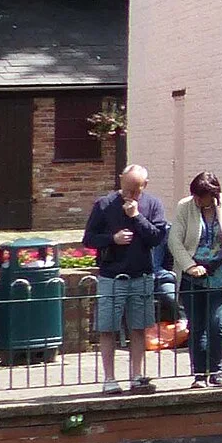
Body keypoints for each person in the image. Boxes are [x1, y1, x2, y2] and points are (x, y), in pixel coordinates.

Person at [81, 165, 170, 395]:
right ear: (120, 181)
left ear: (145, 186)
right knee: (107, 328)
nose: (130, 195)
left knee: (139, 328)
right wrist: (112, 239)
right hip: (112, 276)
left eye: (136, 191)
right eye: (127, 189)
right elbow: (88, 239)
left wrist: (137, 216)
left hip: (141, 275)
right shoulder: (104, 205)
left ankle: (137, 376)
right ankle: (109, 378)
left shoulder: (152, 205)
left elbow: (157, 237)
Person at [167, 172, 222, 387]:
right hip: (192, 278)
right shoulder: (185, 207)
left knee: (216, 323)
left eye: (200, 196)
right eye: (194, 195)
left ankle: (217, 372)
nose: (196, 200)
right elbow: (174, 241)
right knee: (197, 326)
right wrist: (190, 266)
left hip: (220, 275)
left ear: (212, 195)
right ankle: (200, 375)